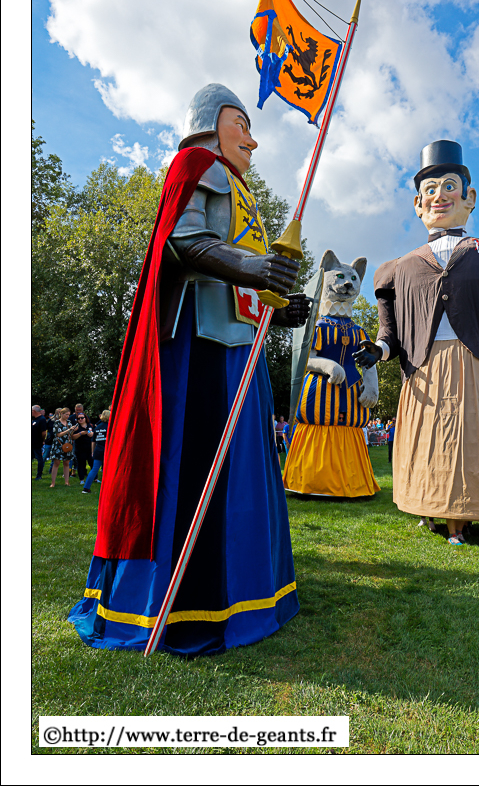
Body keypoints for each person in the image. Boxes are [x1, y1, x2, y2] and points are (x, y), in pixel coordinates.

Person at [69, 84, 309, 657]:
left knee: (245, 472)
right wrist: (258, 269)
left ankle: (250, 590)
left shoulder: (242, 190)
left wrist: (277, 305)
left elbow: (241, 284)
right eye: (240, 123)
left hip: (241, 349)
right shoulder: (196, 166)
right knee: (197, 466)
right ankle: (183, 603)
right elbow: (185, 242)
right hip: (201, 349)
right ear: (210, 122)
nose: (251, 139)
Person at [354, 140, 479, 545]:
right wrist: (378, 351)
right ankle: (434, 508)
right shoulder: (398, 269)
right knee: (431, 442)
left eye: (449, 186)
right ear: (417, 204)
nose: (440, 196)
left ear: (469, 197)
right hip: (423, 372)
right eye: (430, 190)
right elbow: (391, 335)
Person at [81, 410, 110, 494]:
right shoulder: (110, 427)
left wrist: (92, 452)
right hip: (107, 451)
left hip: (98, 450)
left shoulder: (97, 427)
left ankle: (86, 488)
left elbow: (93, 441)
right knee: (109, 470)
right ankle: (108, 489)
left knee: (94, 469)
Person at [49, 408, 77, 487]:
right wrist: (69, 430)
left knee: (66, 463)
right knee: (56, 463)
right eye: (66, 414)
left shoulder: (69, 422)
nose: (68, 416)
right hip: (58, 444)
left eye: (68, 414)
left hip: (67, 444)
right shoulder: (57, 422)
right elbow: (58, 434)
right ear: (61, 414)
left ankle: (67, 482)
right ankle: (53, 483)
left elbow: (70, 434)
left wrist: (73, 430)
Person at [72, 412, 94, 484]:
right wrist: (80, 433)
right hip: (80, 449)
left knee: (92, 463)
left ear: (85, 418)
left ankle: (95, 478)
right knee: (81, 464)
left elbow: (96, 433)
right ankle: (81, 479)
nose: (80, 419)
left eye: (82, 418)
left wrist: (93, 434)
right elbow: (72, 437)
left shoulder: (90, 425)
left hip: (90, 448)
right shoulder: (76, 427)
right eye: (78, 418)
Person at [31, 405, 47, 480]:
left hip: (37, 442)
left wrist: (42, 440)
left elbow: (44, 432)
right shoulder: (34, 419)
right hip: (31, 442)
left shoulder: (42, 419)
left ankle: (39, 475)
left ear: (34, 411)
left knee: (39, 458)